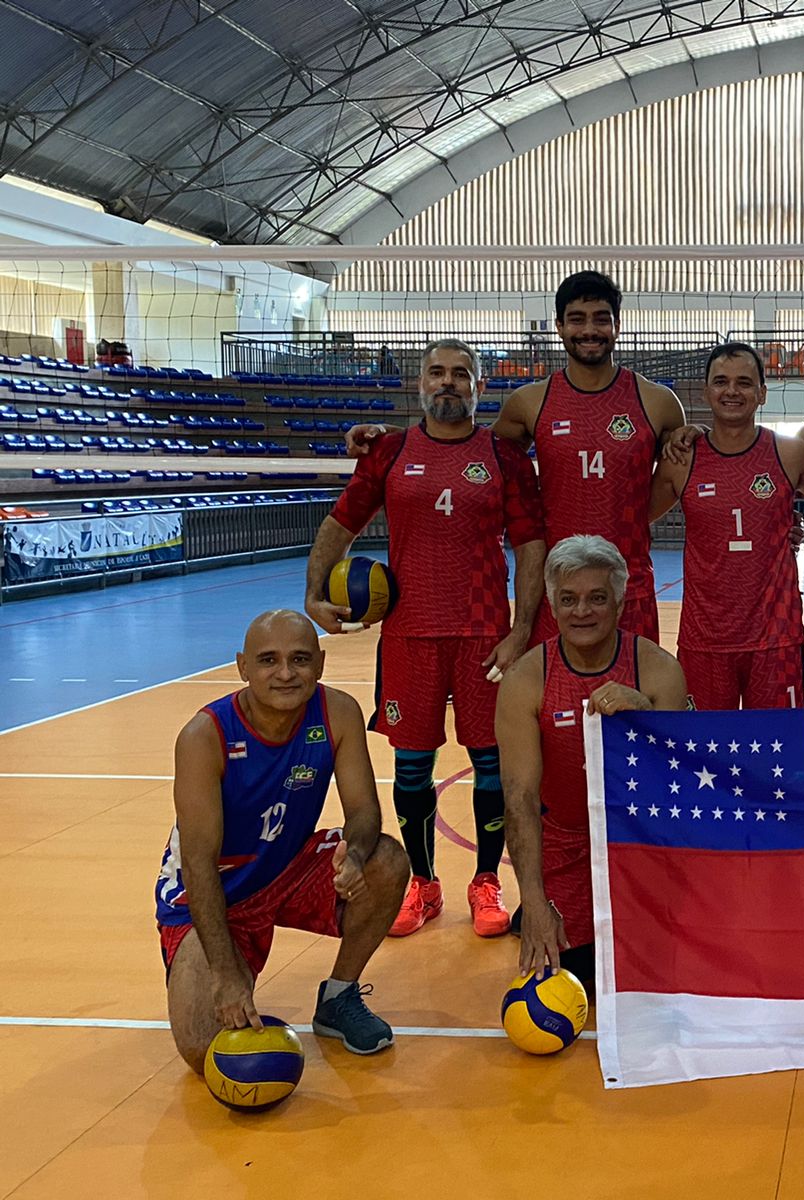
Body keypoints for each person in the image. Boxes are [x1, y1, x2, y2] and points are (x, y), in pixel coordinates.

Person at [305, 338, 547, 940]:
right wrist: (313, 593)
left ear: (479, 387)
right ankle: (423, 882)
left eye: (461, 374)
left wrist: (520, 630)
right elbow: (341, 522)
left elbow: (531, 547)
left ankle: (485, 882)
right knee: (411, 768)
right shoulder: (390, 452)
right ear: (420, 385)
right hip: (409, 636)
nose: (448, 382)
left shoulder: (504, 457)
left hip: (484, 635)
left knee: (492, 766)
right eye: (436, 372)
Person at [346, 272, 684, 643]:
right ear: (559, 326)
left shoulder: (658, 403)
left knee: (635, 681)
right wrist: (395, 437)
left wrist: (633, 510)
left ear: (617, 326)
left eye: (601, 319)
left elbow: (681, 473)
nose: (589, 330)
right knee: (552, 684)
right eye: (577, 319)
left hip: (629, 588)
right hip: (555, 591)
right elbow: (468, 452)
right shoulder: (530, 402)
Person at [157, 610, 409, 1074]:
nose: (286, 673)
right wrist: (225, 972)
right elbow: (197, 865)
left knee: (386, 859)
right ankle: (227, 968)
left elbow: (364, 811)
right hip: (213, 894)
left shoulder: (337, 713)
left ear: (321, 662)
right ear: (243, 667)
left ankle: (339, 997)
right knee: (205, 1052)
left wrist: (354, 856)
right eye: (268, 660)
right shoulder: (204, 736)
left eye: (300, 659)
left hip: (287, 869)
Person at [497, 535, 689, 991]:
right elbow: (520, 802)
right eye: (568, 599)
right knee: (570, 978)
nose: (581, 611)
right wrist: (535, 901)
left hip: (641, 845)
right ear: (552, 605)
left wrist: (644, 717)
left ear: (620, 602)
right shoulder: (525, 680)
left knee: (654, 977)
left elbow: (677, 787)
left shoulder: (659, 671)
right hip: (565, 845)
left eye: (597, 598)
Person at [649, 342, 804, 709]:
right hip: (705, 638)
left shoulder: (791, 453)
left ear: (762, 393)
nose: (732, 391)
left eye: (744, 382)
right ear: (705, 391)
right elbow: (636, 518)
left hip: (776, 638)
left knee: (780, 743)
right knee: (706, 744)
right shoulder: (681, 460)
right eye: (721, 381)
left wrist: (790, 527)